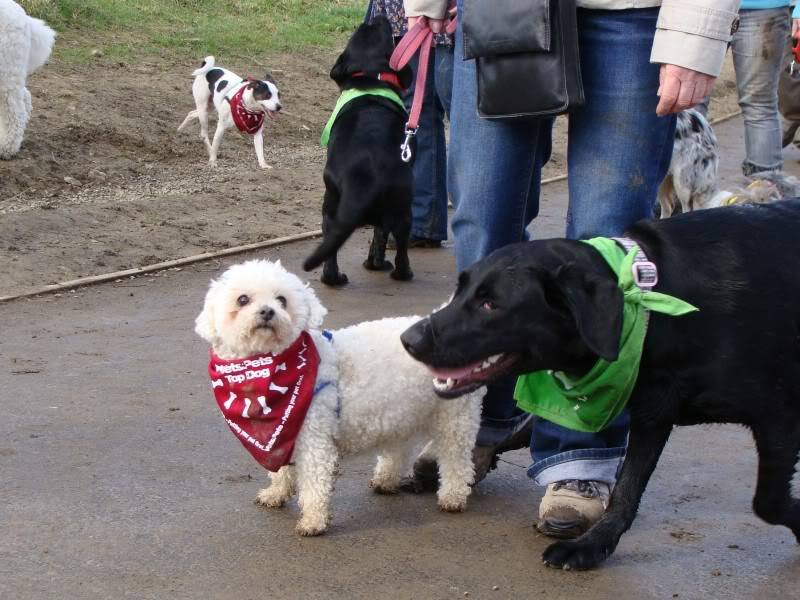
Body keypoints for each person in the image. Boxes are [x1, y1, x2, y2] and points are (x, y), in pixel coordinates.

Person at [403, 0, 739, 538]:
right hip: (502, 8)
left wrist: (695, 35)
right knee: (483, 224)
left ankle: (581, 453)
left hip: (632, 15)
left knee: (607, 250)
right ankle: (486, 416)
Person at [367, 0, 454, 248]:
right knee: (416, 115)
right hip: (405, 16)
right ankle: (421, 222)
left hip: (450, 19)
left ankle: (486, 225)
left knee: (460, 113)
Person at [695, 1, 794, 176]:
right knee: (688, 104)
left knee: (760, 106)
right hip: (700, 8)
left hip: (761, 8)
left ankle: (765, 191)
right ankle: (680, 195)